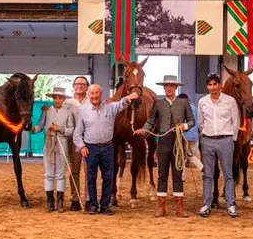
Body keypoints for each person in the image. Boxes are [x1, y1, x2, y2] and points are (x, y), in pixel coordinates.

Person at [73, 84, 138, 215]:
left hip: (108, 147)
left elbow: (121, 104)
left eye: (97, 93)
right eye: (92, 93)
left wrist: (129, 97)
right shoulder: (83, 111)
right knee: (91, 178)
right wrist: (82, 146)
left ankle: (105, 206)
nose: (94, 96)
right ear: (88, 95)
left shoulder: (110, 107)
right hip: (90, 148)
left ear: (101, 94)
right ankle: (93, 205)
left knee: (108, 177)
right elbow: (77, 133)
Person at [135, 75, 195, 218]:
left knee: (177, 174)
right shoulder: (158, 103)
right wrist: (144, 129)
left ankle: (179, 208)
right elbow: (151, 121)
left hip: (178, 141)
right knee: (162, 174)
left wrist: (184, 126)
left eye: (172, 86)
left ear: (176, 87)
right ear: (164, 88)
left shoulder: (183, 103)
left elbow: (192, 121)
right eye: (166, 86)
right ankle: (161, 207)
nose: (169, 88)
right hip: (163, 141)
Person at [197, 72, 241, 218]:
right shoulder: (202, 102)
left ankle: (230, 205)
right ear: (207, 86)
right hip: (208, 140)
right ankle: (206, 204)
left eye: (215, 84)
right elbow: (201, 122)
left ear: (220, 85)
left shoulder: (230, 101)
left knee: (228, 174)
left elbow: (236, 121)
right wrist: (206, 135)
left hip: (225, 140)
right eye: (210, 84)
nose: (212, 87)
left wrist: (232, 139)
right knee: (207, 175)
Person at [33, 87, 75, 213]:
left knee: (61, 173)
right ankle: (50, 201)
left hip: (62, 142)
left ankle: (60, 201)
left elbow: (71, 130)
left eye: (60, 98)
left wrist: (60, 130)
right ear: (52, 98)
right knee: (48, 173)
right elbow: (40, 126)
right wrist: (33, 129)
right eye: (55, 98)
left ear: (63, 99)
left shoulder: (68, 112)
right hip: (49, 142)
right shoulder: (47, 110)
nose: (57, 100)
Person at [64, 75, 90, 212]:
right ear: (73, 86)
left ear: (87, 87)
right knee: (74, 170)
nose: (80, 86)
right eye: (77, 84)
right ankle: (75, 199)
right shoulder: (67, 102)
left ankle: (88, 199)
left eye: (83, 84)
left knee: (89, 171)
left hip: (89, 140)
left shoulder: (92, 101)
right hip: (73, 141)